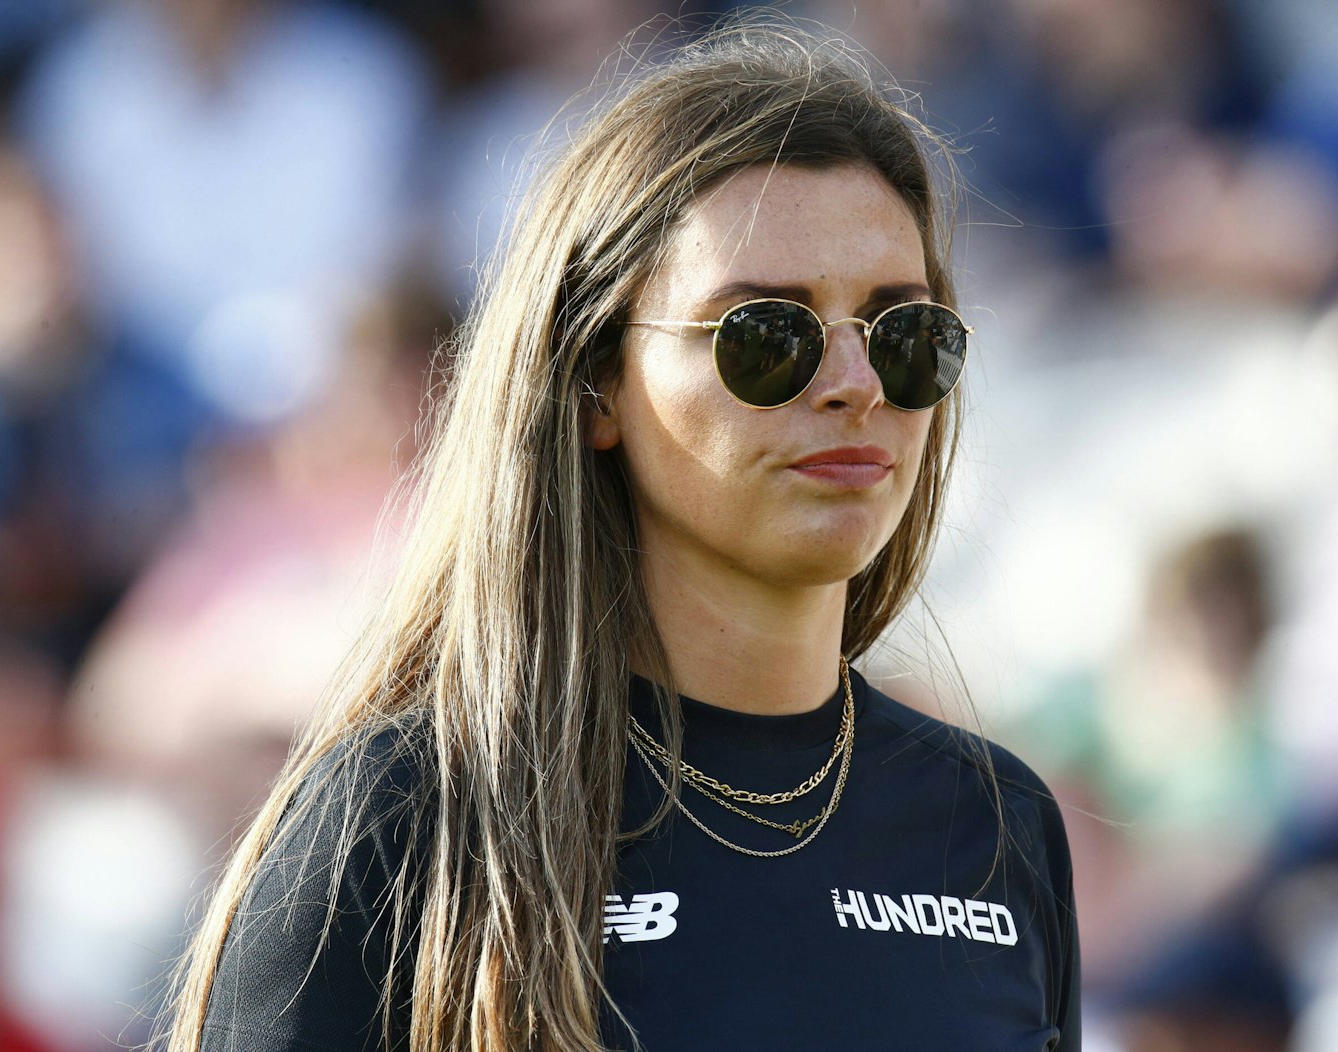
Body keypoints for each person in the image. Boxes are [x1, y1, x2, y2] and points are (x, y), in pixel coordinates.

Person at [163, 18, 1080, 1052]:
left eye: (905, 334)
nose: (857, 385)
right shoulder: (402, 820)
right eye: (766, 333)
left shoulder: (994, 824)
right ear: (598, 381)